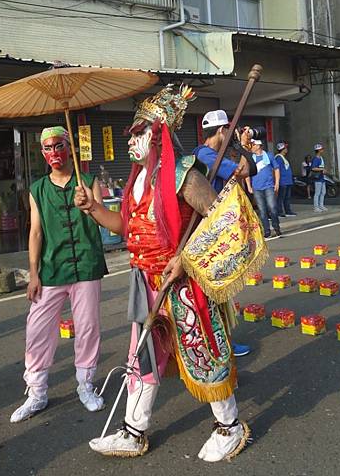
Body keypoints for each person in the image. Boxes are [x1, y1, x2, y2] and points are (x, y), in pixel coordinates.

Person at [75, 86, 255, 462]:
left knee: (203, 353)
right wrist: (93, 207)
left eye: (139, 133)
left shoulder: (184, 175)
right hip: (146, 284)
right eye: (131, 133)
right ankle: (133, 431)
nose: (131, 139)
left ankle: (230, 427)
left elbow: (218, 221)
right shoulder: (136, 180)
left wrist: (185, 260)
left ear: (157, 134)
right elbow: (125, 226)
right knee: (142, 358)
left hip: (184, 285)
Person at [9, 126, 107, 423]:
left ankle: (85, 384)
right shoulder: (37, 189)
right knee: (37, 329)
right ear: (42, 154)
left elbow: (105, 219)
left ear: (70, 148)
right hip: (51, 269)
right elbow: (36, 232)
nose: (54, 153)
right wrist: (34, 273)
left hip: (86, 266)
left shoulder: (89, 181)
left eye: (59, 146)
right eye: (48, 149)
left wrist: (88, 205)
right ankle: (37, 392)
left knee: (88, 327)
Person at [193, 110, 257, 357]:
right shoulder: (208, 155)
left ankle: (223, 341)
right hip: (209, 230)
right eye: (228, 131)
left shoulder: (205, 153)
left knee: (218, 291)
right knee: (215, 291)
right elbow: (244, 170)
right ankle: (220, 344)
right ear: (222, 131)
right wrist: (241, 145)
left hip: (213, 226)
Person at [246, 140, 281, 239]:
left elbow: (276, 169)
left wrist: (277, 182)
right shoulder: (251, 158)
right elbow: (247, 173)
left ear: (258, 146)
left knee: (272, 207)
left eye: (253, 145)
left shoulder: (269, 156)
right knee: (262, 210)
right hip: (256, 188)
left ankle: (276, 227)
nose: (251, 146)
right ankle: (266, 231)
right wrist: (249, 186)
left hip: (269, 186)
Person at [275, 142, 296, 217]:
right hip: (283, 181)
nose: (286, 149)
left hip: (287, 181)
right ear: (282, 149)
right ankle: (280, 212)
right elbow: (277, 170)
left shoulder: (283, 158)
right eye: (285, 148)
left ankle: (288, 211)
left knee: (287, 197)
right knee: (281, 198)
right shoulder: (278, 158)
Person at [311, 143, 327, 212]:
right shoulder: (316, 159)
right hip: (318, 178)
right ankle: (316, 207)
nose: (323, 150)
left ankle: (321, 205)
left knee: (323, 192)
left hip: (322, 177)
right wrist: (322, 169)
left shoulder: (321, 158)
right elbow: (313, 168)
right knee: (317, 193)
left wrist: (323, 170)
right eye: (321, 149)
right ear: (319, 150)